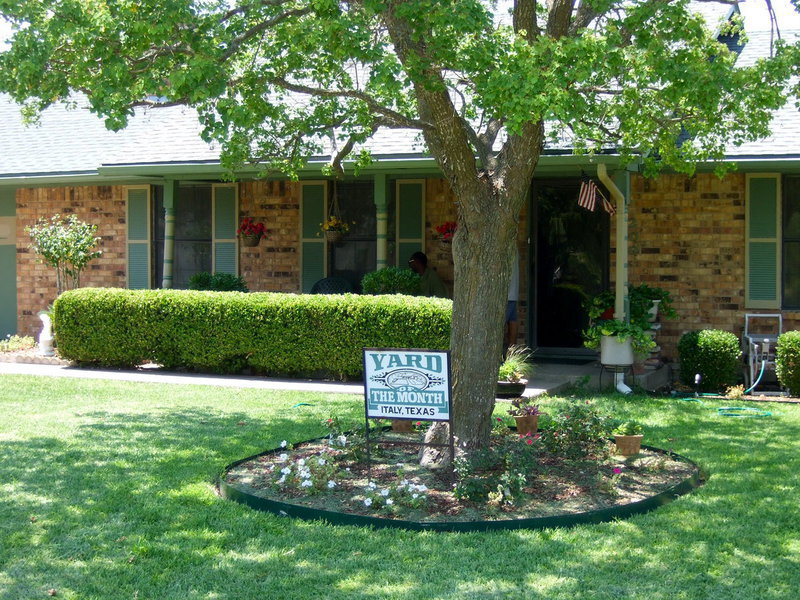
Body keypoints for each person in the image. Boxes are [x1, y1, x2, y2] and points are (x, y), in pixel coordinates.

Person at [505, 247, 520, 351]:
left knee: (498, 326)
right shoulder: (514, 248)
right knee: (512, 322)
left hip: (505, 294)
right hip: (513, 293)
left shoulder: (504, 246)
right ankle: (512, 355)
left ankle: (499, 357)